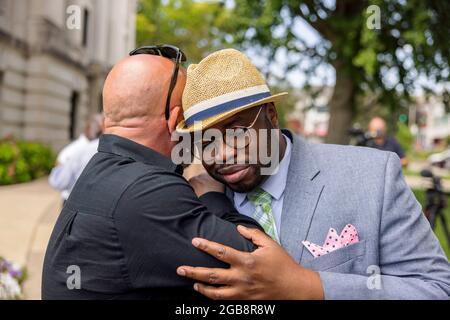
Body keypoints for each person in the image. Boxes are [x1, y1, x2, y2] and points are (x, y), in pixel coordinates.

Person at [175, 49, 450, 299]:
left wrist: (308, 286)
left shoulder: (373, 177)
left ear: (271, 115)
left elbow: (436, 288)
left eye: (237, 132)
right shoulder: (193, 202)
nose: (222, 154)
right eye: (207, 140)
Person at [42, 45, 262, 300]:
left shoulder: (103, 171)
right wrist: (212, 194)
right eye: (192, 119)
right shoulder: (148, 190)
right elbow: (259, 261)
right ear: (174, 119)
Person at [48, 114, 104, 200]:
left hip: (72, 201)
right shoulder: (105, 149)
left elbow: (58, 182)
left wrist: (57, 169)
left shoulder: (71, 151)